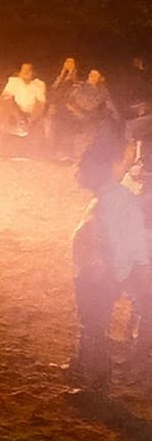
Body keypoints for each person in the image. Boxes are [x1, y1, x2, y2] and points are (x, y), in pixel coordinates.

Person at [69, 131, 150, 389]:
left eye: (84, 168)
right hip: (97, 273)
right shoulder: (113, 196)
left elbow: (123, 242)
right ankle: (84, 371)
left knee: (94, 327)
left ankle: (94, 385)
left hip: (100, 276)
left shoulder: (115, 199)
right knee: (90, 325)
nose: (78, 173)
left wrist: (114, 270)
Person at [0, 62, 48, 143]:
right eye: (24, 69)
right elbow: (5, 99)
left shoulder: (39, 84)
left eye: (29, 70)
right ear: (20, 71)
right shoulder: (13, 81)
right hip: (15, 111)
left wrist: (29, 120)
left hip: (31, 114)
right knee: (4, 108)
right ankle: (3, 139)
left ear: (33, 72)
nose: (26, 72)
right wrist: (19, 117)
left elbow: (40, 105)